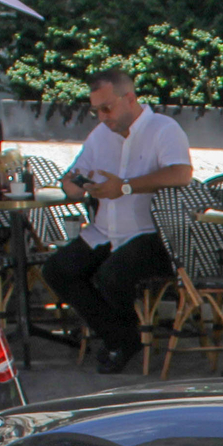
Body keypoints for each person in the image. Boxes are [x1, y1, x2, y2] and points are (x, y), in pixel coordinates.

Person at [42, 69, 194, 372]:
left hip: (152, 234)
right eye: (95, 110)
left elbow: (181, 174)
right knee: (57, 270)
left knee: (112, 275)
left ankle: (119, 341)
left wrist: (125, 185)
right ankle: (121, 338)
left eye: (106, 108)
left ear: (130, 99)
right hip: (104, 230)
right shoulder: (100, 135)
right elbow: (74, 175)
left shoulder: (163, 129)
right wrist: (72, 186)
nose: (101, 117)